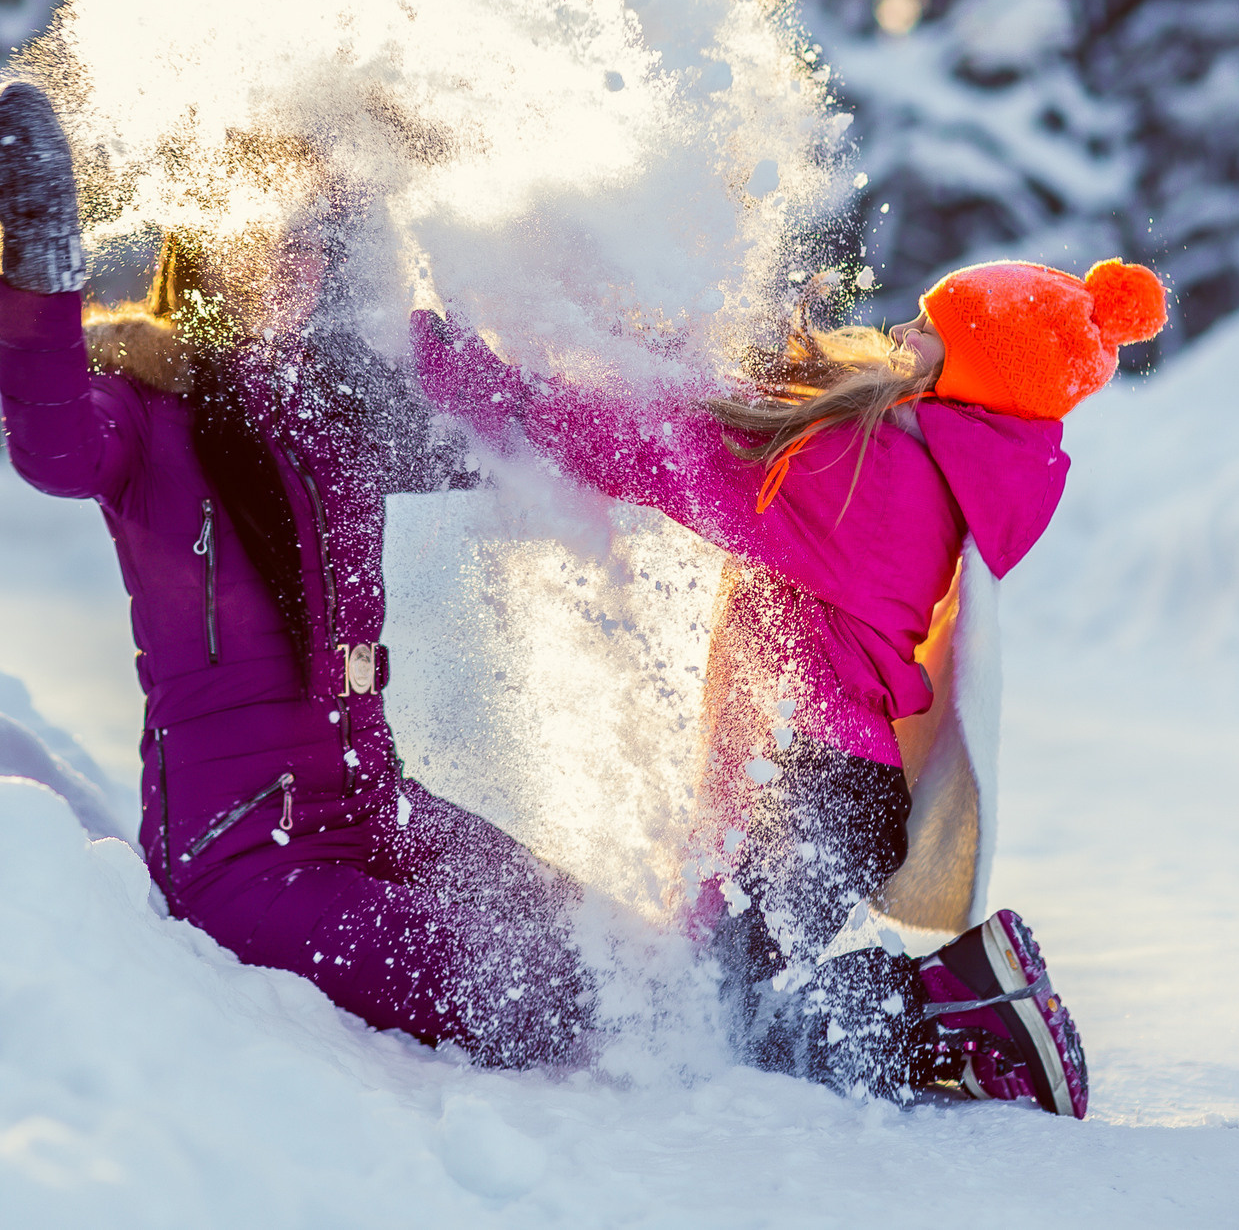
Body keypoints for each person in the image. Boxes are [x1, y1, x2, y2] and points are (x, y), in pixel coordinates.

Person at [414, 257, 1169, 1116]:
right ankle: (958, 1002)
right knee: (718, 998)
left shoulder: (880, 476)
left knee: (735, 1026)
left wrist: (500, 397)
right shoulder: (927, 455)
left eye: (929, 330)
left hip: (808, 783)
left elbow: (682, 453)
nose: (899, 334)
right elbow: (732, 405)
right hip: (821, 779)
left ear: (975, 367)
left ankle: (961, 1008)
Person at [0, 79, 592, 1069]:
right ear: (205, 250)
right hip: (250, 856)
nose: (295, 261)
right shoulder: (144, 410)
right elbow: (48, 447)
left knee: (593, 943)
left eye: (311, 239)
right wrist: (40, 259)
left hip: (379, 807)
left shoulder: (334, 412)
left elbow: (501, 436)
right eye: (270, 236)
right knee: (516, 986)